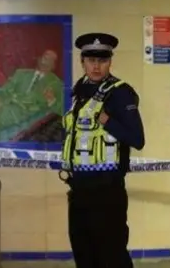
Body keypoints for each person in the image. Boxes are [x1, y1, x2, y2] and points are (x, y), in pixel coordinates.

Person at [60, 33, 145, 268]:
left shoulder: (120, 92)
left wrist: (108, 121)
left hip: (107, 192)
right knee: (84, 256)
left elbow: (137, 139)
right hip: (79, 190)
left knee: (112, 258)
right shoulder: (78, 92)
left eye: (102, 60)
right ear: (82, 62)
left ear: (110, 62)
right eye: (90, 60)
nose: (96, 66)